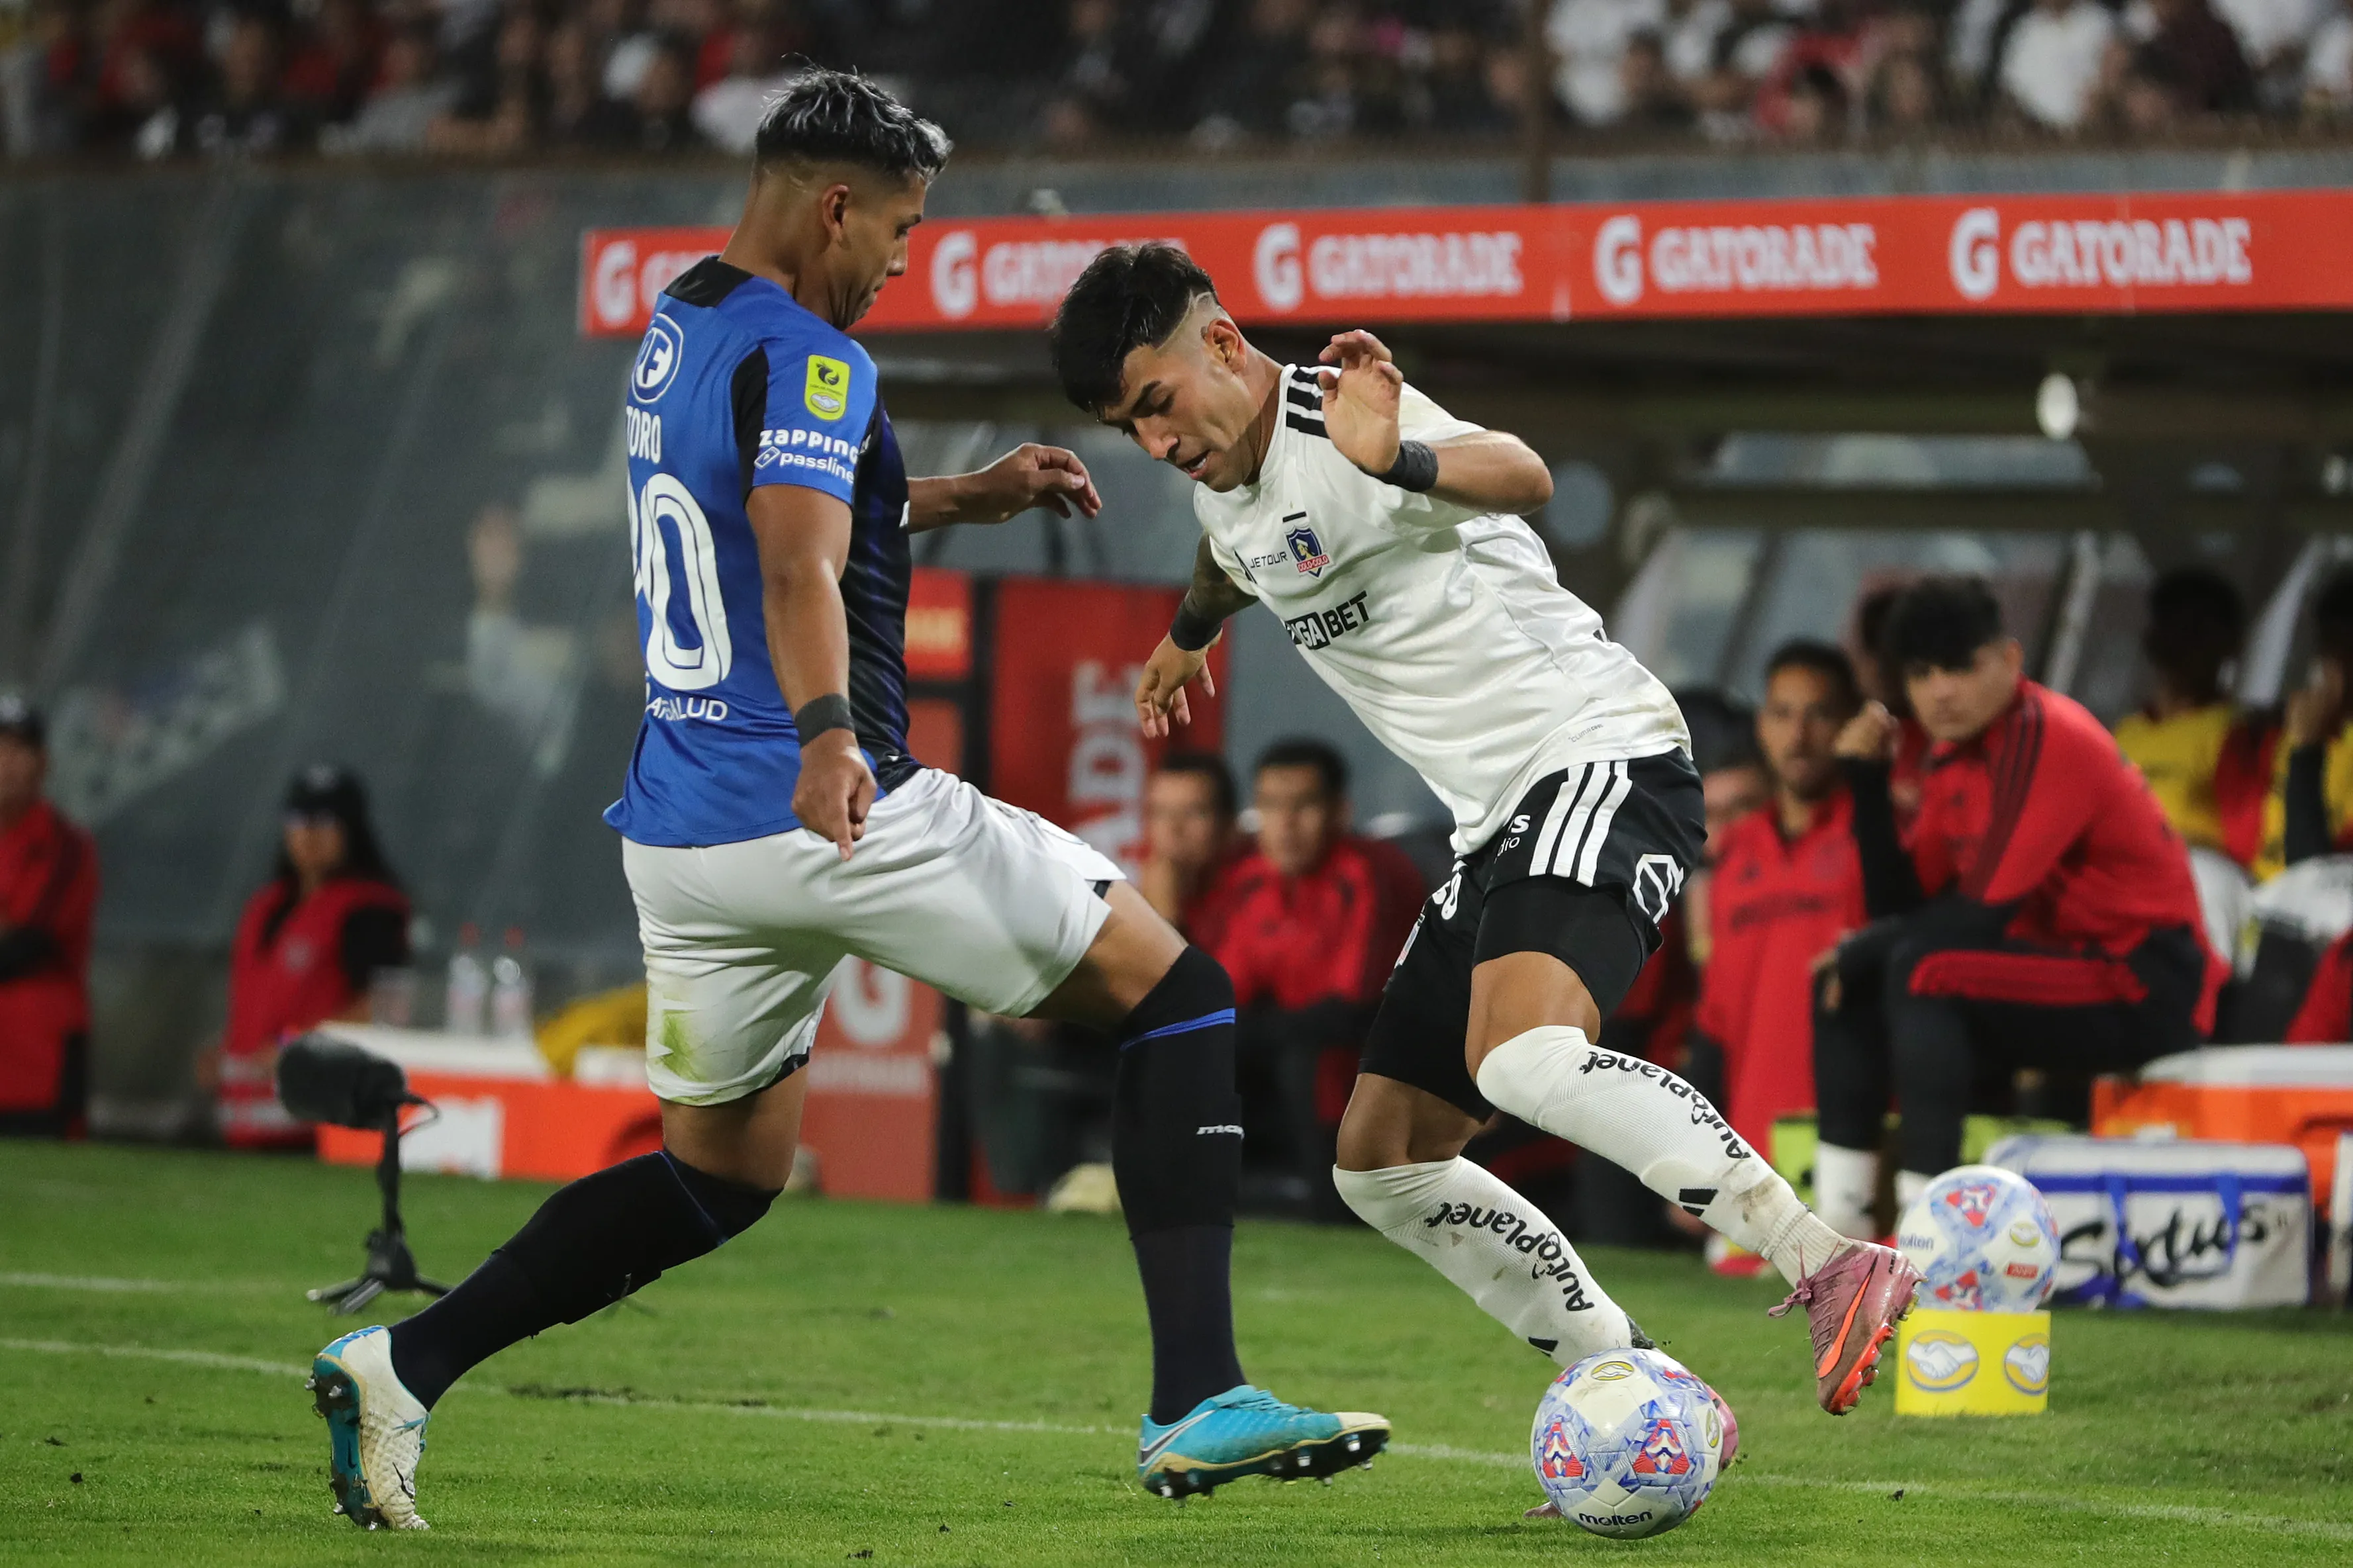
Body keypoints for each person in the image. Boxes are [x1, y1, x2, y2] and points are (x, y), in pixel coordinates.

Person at [310, 71, 1384, 1534]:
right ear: (834, 207)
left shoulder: (683, 325)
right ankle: (1200, 1390)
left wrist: (963, 494)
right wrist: (828, 737)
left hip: (683, 835)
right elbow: (796, 561)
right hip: (823, 804)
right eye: (900, 229)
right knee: (1178, 997)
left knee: (717, 1172)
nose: (899, 261)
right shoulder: (816, 356)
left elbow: (768, 504)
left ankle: (402, 1364)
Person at [1050, 242, 1917, 1469]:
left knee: (1520, 1058)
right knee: (1379, 1159)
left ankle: (1825, 1259)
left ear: (1225, 347)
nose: (1153, 440)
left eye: (1156, 402)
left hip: (1596, 755)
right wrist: (1188, 632)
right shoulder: (1221, 489)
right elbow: (1237, 549)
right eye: (1125, 426)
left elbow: (1522, 473)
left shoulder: (1340, 410)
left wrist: (1395, 457)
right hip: (1493, 818)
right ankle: (1630, 1374)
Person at [1813, 576, 2222, 1236]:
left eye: (1959, 667)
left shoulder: (2045, 732)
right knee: (1846, 981)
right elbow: (1901, 904)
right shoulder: (1953, 755)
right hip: (2053, 968)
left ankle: (1925, 1237)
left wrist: (1867, 947)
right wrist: (1865, 781)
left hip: (2145, 978)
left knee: (1920, 968)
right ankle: (1837, 1232)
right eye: (1921, 674)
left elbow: (1977, 917)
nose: (1940, 691)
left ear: (2009, 659)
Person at [1690, 643, 1866, 1271]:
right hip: (1750, 1174)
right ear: (1761, 725)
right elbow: (1716, 1024)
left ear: (1850, 723)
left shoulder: (1878, 838)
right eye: (1782, 713)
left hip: (1853, 1167)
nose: (1799, 734)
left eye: (1819, 713)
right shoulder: (1735, 854)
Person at [1210, 739, 1423, 1221]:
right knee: (1197, 1047)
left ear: (1339, 812)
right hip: (1288, 1042)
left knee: (1311, 1060)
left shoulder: (1367, 873)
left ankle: (1336, 1214)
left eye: (1303, 805)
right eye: (1270, 806)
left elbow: (1355, 1010)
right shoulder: (1249, 879)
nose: (1285, 824)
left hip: (1377, 1054)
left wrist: (1255, 1029)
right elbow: (1226, 995)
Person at [210, 765, 408, 1150]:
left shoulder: (369, 909)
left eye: (325, 822)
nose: (309, 834)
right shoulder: (268, 905)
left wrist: (298, 1047)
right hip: (242, 1120)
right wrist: (222, 1047)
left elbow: (385, 1006)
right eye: (299, 820)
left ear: (351, 830)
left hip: (315, 1128)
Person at [2111, 567, 2270, 870]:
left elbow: (2245, 845)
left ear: (2229, 646)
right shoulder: (2125, 733)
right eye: (2175, 629)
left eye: (2198, 632)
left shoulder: (2237, 732)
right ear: (2153, 640)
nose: (2183, 646)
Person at [0, 696, 99, 1138]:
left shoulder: (65, 846)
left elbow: (26, 944)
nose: (6, 763)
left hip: (39, 1066)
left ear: (43, 763)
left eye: (18, 749)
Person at [1136, 749, 1245, 947]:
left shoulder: (1254, 899)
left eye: (1193, 813)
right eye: (1161, 812)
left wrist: (1166, 919)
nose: (1174, 828)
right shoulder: (1124, 896)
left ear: (1228, 825)